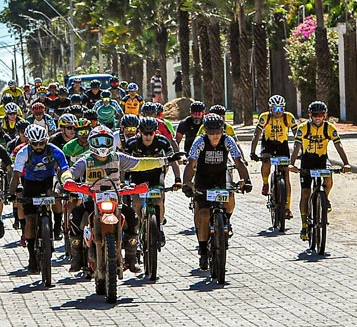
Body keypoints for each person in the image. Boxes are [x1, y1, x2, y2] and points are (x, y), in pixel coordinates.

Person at [62, 126, 177, 273]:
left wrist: (164, 160)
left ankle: (131, 257)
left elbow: (140, 163)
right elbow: (71, 172)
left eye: (106, 141)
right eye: (98, 141)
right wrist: (67, 179)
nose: (102, 146)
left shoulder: (118, 157)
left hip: (115, 200)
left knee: (134, 219)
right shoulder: (86, 160)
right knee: (74, 218)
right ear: (92, 143)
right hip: (91, 200)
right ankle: (76, 257)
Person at [182, 114, 252, 270]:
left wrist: (246, 180)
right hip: (203, 178)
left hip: (221, 176)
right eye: (211, 132)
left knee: (230, 196)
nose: (214, 135)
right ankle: (203, 250)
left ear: (222, 130)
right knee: (204, 214)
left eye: (218, 131)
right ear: (205, 130)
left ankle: (225, 220)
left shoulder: (228, 140)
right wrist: (187, 183)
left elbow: (238, 161)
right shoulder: (199, 141)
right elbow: (191, 163)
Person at [9, 125, 69, 272]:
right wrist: (11, 194)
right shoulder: (23, 152)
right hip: (30, 183)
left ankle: (56, 227)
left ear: (46, 140)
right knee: (31, 219)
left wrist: (67, 186)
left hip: (49, 179)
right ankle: (31, 255)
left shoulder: (54, 150)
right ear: (30, 142)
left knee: (54, 194)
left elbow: (64, 169)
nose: (38, 146)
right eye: (34, 144)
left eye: (41, 143)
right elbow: (16, 175)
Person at [289, 101, 351, 241]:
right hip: (307, 160)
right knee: (305, 193)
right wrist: (292, 164)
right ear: (310, 115)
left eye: (321, 115)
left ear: (325, 115)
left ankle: (325, 199)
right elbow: (297, 146)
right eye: (315, 115)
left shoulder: (329, 128)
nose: (318, 117)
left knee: (328, 178)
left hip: (322, 159)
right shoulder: (303, 128)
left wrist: (346, 163)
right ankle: (304, 225)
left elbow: (338, 145)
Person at [122, 117, 182, 249]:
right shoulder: (132, 142)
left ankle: (159, 227)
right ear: (140, 132)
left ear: (156, 132)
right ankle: (136, 231)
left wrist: (178, 179)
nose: (148, 136)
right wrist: (122, 182)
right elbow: (123, 163)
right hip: (137, 176)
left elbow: (172, 160)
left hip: (155, 175)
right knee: (136, 202)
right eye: (145, 133)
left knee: (158, 200)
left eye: (151, 133)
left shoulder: (162, 141)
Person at [249, 95, 297, 218]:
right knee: (266, 161)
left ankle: (287, 208)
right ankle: (265, 183)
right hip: (268, 144)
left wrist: (301, 151)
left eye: (280, 109)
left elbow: (298, 137)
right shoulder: (265, 117)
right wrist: (253, 152)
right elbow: (257, 134)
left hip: (282, 145)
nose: (278, 112)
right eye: (275, 109)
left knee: (286, 177)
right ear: (270, 109)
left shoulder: (288, 117)